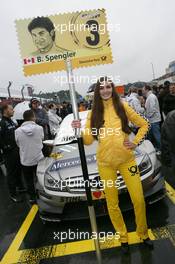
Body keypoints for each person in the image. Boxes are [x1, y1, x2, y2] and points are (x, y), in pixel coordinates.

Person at [71, 77, 153, 254]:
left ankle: (143, 233)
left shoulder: (122, 106)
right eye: (102, 88)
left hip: (127, 160)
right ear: (97, 92)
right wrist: (78, 129)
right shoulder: (94, 113)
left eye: (109, 87)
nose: (106, 90)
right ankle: (123, 237)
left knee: (138, 199)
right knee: (112, 203)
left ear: (112, 89)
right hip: (105, 164)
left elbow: (144, 124)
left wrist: (136, 142)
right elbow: (87, 140)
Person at [15, 110, 44, 203]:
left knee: (28, 180)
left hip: (25, 160)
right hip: (39, 158)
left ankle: (32, 197)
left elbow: (18, 144)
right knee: (40, 178)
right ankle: (42, 195)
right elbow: (42, 139)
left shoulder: (17, 131)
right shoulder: (39, 128)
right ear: (33, 117)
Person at [0, 104, 24, 202]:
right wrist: (6, 147)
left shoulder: (11, 121)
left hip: (16, 149)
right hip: (9, 152)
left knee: (18, 169)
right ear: (5, 110)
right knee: (11, 173)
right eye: (11, 109)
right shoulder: (2, 123)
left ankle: (21, 187)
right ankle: (13, 194)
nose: (13, 111)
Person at [142, 85, 161, 151]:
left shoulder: (151, 97)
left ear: (147, 89)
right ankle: (158, 148)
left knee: (157, 135)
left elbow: (152, 109)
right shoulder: (149, 97)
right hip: (152, 119)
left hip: (154, 120)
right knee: (154, 135)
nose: (142, 91)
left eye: (143, 90)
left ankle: (161, 149)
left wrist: (148, 116)